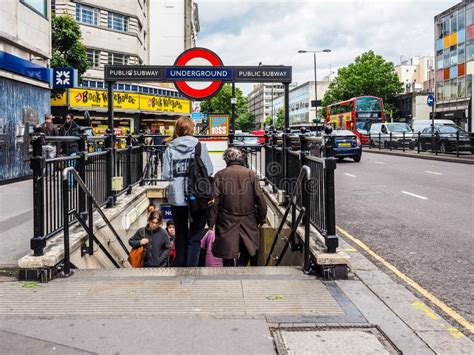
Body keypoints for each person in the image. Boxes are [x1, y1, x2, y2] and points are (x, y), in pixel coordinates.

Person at [162, 116, 213, 267]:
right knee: (195, 236)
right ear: (191, 129)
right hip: (197, 197)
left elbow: (166, 175)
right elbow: (209, 170)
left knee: (181, 234)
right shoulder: (199, 146)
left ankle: (180, 267)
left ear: (177, 130)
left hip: (177, 199)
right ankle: (192, 269)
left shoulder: (169, 149)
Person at [208, 147, 267, 267]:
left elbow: (215, 202)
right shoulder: (250, 174)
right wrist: (262, 218)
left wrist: (211, 223)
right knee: (248, 247)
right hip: (249, 218)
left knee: (227, 252)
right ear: (241, 159)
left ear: (226, 160)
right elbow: (260, 198)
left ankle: (229, 275)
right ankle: (242, 268)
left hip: (226, 220)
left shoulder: (220, 175)